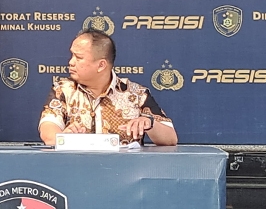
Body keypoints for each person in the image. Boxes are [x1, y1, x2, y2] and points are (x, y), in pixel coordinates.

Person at [38, 30, 178, 146]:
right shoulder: (63, 90)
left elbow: (171, 139)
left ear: (101, 65)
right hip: (77, 167)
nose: (71, 62)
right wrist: (64, 137)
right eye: (72, 55)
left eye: (78, 57)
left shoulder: (137, 94)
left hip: (125, 169)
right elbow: (48, 135)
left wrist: (149, 123)